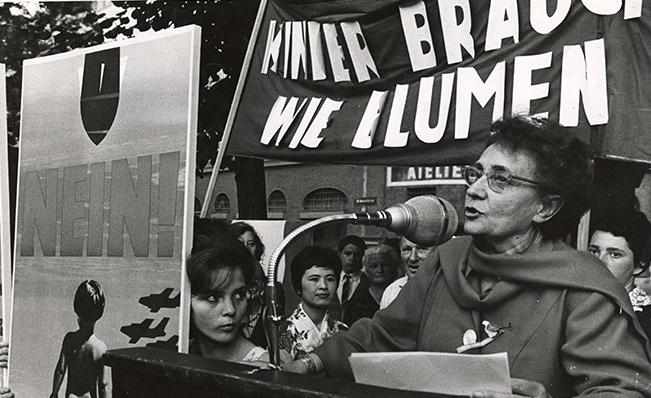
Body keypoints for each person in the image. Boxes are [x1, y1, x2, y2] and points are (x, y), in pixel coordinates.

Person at [284, 115, 651, 397]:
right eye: (476, 173)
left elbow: (619, 389)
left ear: (546, 207)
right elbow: (381, 337)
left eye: (500, 179)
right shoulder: (446, 260)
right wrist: (311, 362)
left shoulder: (584, 287)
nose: (474, 190)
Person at [187, 239, 290, 365]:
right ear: (187, 300)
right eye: (212, 298)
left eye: (238, 295)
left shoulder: (263, 366)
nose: (230, 310)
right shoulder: (179, 350)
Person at [589, 210, 651, 336]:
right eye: (594, 251)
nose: (600, 261)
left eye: (615, 254)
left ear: (639, 266)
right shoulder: (575, 303)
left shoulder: (646, 319)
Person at [279, 246, 347, 360]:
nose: (323, 286)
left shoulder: (342, 330)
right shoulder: (285, 332)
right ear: (298, 285)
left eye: (330, 279)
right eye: (314, 279)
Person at [51, 280, 110, 398]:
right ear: (99, 313)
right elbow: (103, 384)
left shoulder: (69, 339)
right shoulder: (100, 348)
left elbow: (60, 370)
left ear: (76, 308)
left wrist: (54, 394)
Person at [228, 222, 278, 349]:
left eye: (251, 244)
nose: (245, 249)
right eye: (240, 244)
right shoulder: (223, 287)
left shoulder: (273, 288)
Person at [342, 244, 400, 326]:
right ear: (365, 269)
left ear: (394, 267)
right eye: (374, 266)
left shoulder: (402, 295)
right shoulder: (356, 304)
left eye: (385, 265)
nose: (380, 270)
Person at [379, 237, 437, 309]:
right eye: (407, 249)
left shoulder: (450, 289)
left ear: (437, 252)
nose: (413, 258)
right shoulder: (392, 291)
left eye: (421, 249)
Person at [336, 235, 367, 319]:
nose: (352, 258)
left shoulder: (368, 282)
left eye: (357, 255)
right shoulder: (331, 279)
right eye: (347, 254)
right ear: (339, 254)